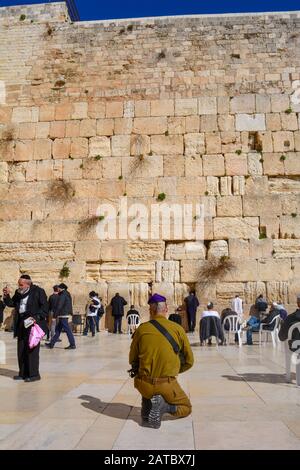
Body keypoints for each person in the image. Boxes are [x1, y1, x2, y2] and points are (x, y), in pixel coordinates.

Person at [129, 293, 194, 429]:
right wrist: (173, 369)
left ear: (151, 311)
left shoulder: (141, 329)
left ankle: (147, 406)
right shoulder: (178, 329)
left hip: (143, 384)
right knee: (186, 408)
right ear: (166, 309)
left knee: (145, 379)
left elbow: (132, 359)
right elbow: (189, 361)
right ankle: (164, 407)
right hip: (166, 385)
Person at [2, 275, 48, 382]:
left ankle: (34, 374)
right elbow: (11, 303)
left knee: (32, 349)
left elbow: (45, 307)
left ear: (28, 283)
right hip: (21, 323)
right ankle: (22, 373)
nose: (19, 286)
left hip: (33, 323)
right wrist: (6, 295)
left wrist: (36, 317)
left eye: (21, 284)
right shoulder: (19, 293)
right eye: (19, 284)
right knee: (21, 348)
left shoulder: (38, 291)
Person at [46, 283, 76, 350]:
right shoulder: (67, 294)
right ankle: (51, 344)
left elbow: (59, 306)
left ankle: (72, 344)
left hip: (63, 314)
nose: (58, 289)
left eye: (59, 288)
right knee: (58, 330)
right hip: (64, 314)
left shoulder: (63, 295)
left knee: (68, 330)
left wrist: (54, 316)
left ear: (62, 288)